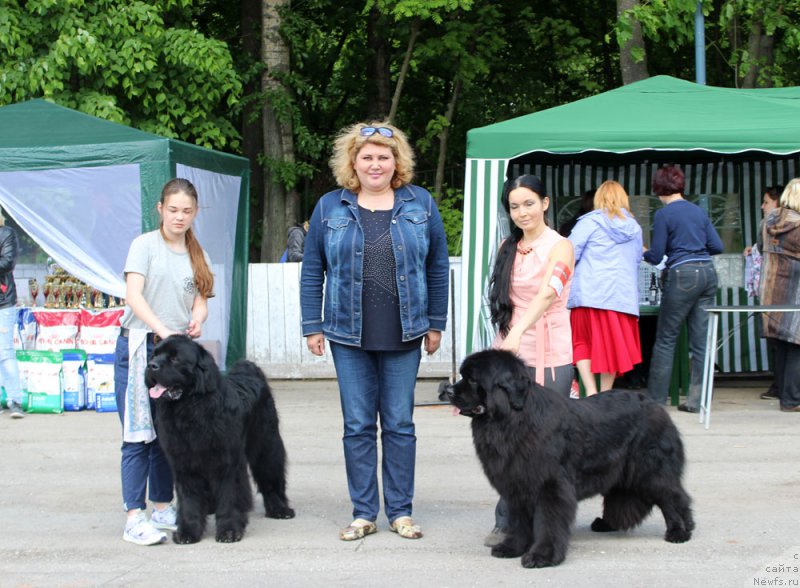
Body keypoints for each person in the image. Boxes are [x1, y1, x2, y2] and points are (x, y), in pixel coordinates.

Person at [300, 122, 449, 542]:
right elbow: (313, 270)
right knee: (358, 425)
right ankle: (364, 512)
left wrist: (436, 322)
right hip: (347, 335)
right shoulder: (330, 207)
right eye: (366, 156)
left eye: (384, 156)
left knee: (400, 424)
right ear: (352, 162)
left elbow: (437, 266)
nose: (375, 163)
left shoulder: (420, 203)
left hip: (405, 332)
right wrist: (312, 325)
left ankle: (401, 511)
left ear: (396, 161)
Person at [114, 178, 214, 545]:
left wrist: (198, 318)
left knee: (166, 437)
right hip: (141, 348)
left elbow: (201, 297)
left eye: (187, 211)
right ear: (159, 209)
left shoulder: (196, 252)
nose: (179, 217)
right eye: (173, 210)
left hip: (178, 358)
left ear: (195, 213)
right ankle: (133, 515)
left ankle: (161, 506)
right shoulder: (144, 246)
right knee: (137, 437)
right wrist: (162, 331)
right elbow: (133, 296)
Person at [485, 174, 575, 546]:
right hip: (510, 352)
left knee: (546, 445)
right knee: (507, 441)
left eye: (529, 203)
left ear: (545, 203)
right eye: (515, 206)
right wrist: (509, 338)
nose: (522, 212)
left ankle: (549, 521)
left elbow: (547, 295)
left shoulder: (561, 246)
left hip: (549, 351)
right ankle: (508, 519)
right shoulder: (509, 246)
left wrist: (520, 332)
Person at [643, 165, 723, 414]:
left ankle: (656, 401)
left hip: (682, 275)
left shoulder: (664, 215)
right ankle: (697, 401)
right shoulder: (698, 211)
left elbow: (656, 256)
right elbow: (717, 245)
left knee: (666, 340)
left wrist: (644, 252)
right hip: (708, 273)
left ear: (658, 188)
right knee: (700, 342)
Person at [567, 180, 643, 395]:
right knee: (611, 348)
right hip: (621, 298)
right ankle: (605, 393)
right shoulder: (634, 228)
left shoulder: (588, 223)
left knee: (581, 342)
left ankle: (590, 391)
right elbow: (637, 260)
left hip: (588, 295)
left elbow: (569, 253)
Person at [759, 179, 800, 413]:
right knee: (796, 343)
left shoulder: (768, 220)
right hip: (795, 289)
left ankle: (784, 393)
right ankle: (792, 399)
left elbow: (758, 246)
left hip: (771, 288)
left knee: (782, 344)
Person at [742, 185, 782, 400]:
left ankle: (782, 386)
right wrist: (754, 249)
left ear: (778, 202)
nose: (762, 206)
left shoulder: (770, 223)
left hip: (776, 290)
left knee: (779, 340)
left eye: (766, 201)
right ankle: (783, 385)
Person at [0, 210, 24, 419]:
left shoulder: (6, 233)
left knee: (5, 352)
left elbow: (7, 263)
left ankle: (15, 400)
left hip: (2, 302)